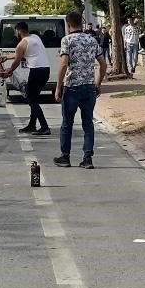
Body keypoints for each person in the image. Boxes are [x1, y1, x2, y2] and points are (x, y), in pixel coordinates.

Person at [54, 10, 107, 169]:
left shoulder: (67, 40)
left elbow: (64, 64)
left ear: (68, 24)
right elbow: (103, 64)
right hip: (89, 87)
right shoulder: (92, 40)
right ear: (81, 23)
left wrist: (58, 87)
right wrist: (98, 84)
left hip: (72, 87)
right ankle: (87, 158)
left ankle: (65, 157)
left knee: (67, 124)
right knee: (87, 124)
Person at [0, 21, 51, 135]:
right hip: (45, 70)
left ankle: (44, 126)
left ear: (18, 31)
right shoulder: (35, 37)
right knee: (34, 98)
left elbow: (18, 60)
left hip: (36, 71)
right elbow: (21, 54)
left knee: (31, 99)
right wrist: (7, 57)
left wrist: (9, 71)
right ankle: (32, 125)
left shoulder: (22, 43)